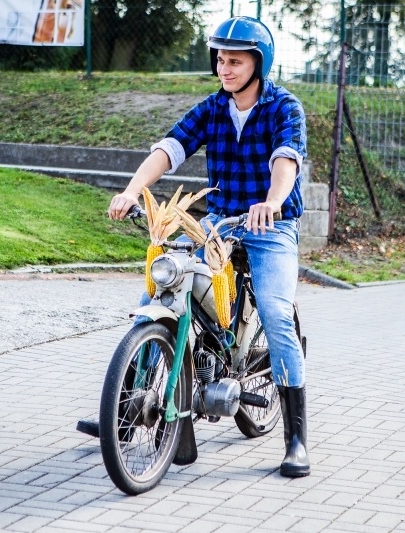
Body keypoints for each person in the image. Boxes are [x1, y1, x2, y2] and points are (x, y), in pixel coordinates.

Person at [108, 16, 310, 478]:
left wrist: (272, 203)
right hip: (217, 225)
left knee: (278, 314)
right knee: (161, 291)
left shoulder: (284, 107)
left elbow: (287, 158)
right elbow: (171, 147)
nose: (226, 68)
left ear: (259, 64)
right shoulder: (213, 108)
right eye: (220, 59)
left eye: (235, 60)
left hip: (271, 226)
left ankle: (296, 438)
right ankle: (123, 409)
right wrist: (132, 190)